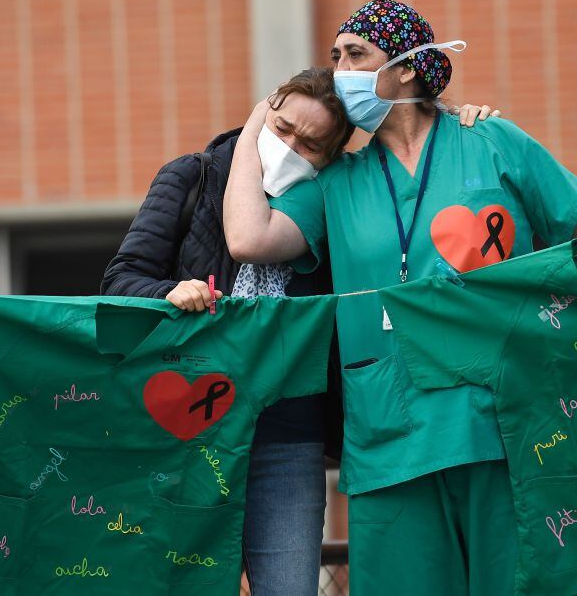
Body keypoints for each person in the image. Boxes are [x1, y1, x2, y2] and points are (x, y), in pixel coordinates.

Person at [221, 0, 577, 595]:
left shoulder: (493, 141)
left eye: (356, 54)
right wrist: (257, 121)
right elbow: (249, 238)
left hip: (502, 427)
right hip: (391, 438)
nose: (340, 71)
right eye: (335, 57)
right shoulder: (336, 181)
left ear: (407, 67)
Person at [103, 64, 497, 594]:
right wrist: (167, 294)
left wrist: (459, 122)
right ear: (268, 110)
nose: (291, 147)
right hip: (185, 432)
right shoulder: (191, 177)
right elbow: (120, 280)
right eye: (284, 128)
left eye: (312, 145)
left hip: (287, 439)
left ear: (332, 157)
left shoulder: (333, 200)